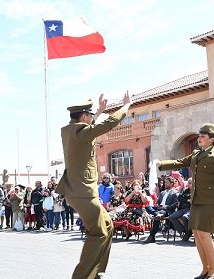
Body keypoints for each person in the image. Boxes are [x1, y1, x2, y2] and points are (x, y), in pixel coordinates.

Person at [56, 92, 132, 279]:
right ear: (84, 117)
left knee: (107, 225)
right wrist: (126, 106)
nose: (92, 118)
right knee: (98, 232)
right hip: (83, 192)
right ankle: (82, 276)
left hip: (78, 191)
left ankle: (96, 271)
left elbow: (92, 126)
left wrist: (98, 111)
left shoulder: (73, 131)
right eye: (90, 115)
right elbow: (107, 124)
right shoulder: (80, 132)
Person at [154, 123, 214, 279]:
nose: (199, 138)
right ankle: (205, 268)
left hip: (211, 200)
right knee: (196, 234)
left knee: (204, 233)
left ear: (212, 139)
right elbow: (181, 162)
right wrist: (161, 164)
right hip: (196, 199)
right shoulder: (196, 153)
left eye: (203, 136)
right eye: (199, 135)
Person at [144, 176, 178, 243]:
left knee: (158, 217)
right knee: (147, 207)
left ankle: (152, 236)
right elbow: (158, 202)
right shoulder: (162, 193)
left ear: (171, 184)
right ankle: (158, 214)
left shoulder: (175, 193)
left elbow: (175, 205)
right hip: (159, 209)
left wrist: (164, 207)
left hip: (166, 210)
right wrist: (157, 205)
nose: (165, 184)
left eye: (167, 182)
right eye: (165, 182)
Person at [169, 177, 192, 241]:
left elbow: (192, 201)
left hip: (190, 209)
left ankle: (188, 233)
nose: (189, 184)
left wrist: (185, 199)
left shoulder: (196, 191)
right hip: (182, 208)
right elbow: (179, 198)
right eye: (188, 183)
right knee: (172, 217)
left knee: (185, 217)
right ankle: (183, 232)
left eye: (190, 183)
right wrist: (187, 200)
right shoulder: (185, 190)